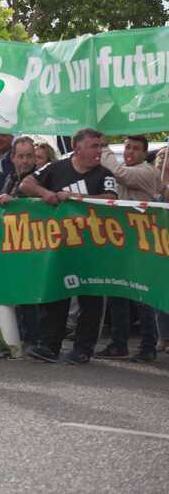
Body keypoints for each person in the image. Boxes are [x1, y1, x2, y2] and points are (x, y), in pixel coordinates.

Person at [19, 128, 118, 364]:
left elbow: (110, 199)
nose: (99, 151)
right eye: (94, 146)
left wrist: (75, 199)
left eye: (101, 146)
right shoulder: (57, 168)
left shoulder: (104, 173)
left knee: (91, 298)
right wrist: (45, 193)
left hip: (92, 248)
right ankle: (49, 345)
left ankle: (83, 348)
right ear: (77, 147)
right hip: (59, 245)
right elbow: (26, 184)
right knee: (55, 294)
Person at [95, 135, 162, 363]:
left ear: (145, 154)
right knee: (117, 293)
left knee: (141, 295)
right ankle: (118, 343)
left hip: (141, 242)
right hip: (120, 240)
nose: (130, 152)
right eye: (127, 147)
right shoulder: (124, 167)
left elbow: (118, 173)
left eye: (135, 148)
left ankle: (147, 345)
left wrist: (103, 147)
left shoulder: (146, 172)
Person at [0, 136, 40, 355]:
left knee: (30, 298)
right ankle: (9, 341)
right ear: (13, 157)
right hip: (12, 247)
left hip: (32, 247)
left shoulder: (39, 177)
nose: (25, 161)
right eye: (21, 156)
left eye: (29, 156)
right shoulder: (11, 177)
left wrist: (14, 202)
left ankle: (32, 341)